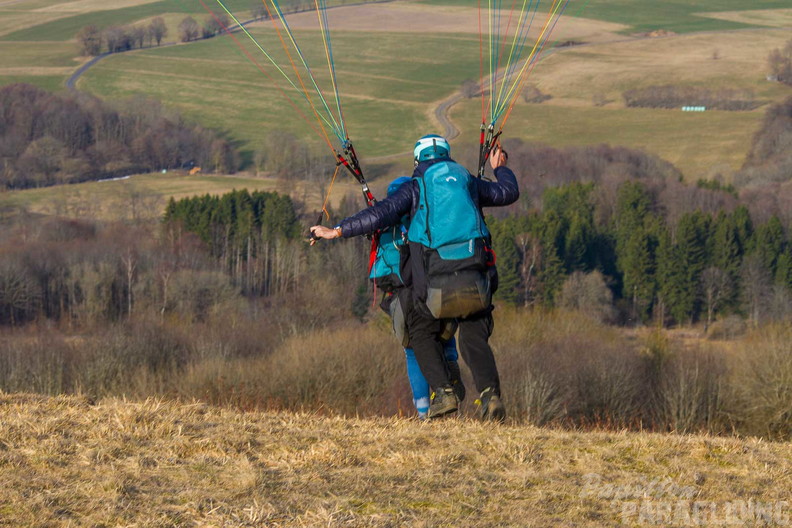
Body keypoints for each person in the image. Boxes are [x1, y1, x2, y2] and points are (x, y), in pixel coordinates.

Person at [311, 134, 518, 421]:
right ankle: (490, 395)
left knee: (420, 331)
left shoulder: (415, 187)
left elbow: (380, 214)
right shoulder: (469, 182)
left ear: (418, 161)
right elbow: (508, 193)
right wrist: (501, 166)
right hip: (475, 277)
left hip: (435, 280)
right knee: (473, 332)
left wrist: (338, 230)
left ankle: (443, 392)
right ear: (447, 156)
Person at [371, 177, 465, 418]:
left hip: (402, 296)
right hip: (438, 287)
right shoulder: (427, 218)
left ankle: (423, 410)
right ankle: (450, 361)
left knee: (413, 348)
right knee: (443, 336)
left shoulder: (383, 224)